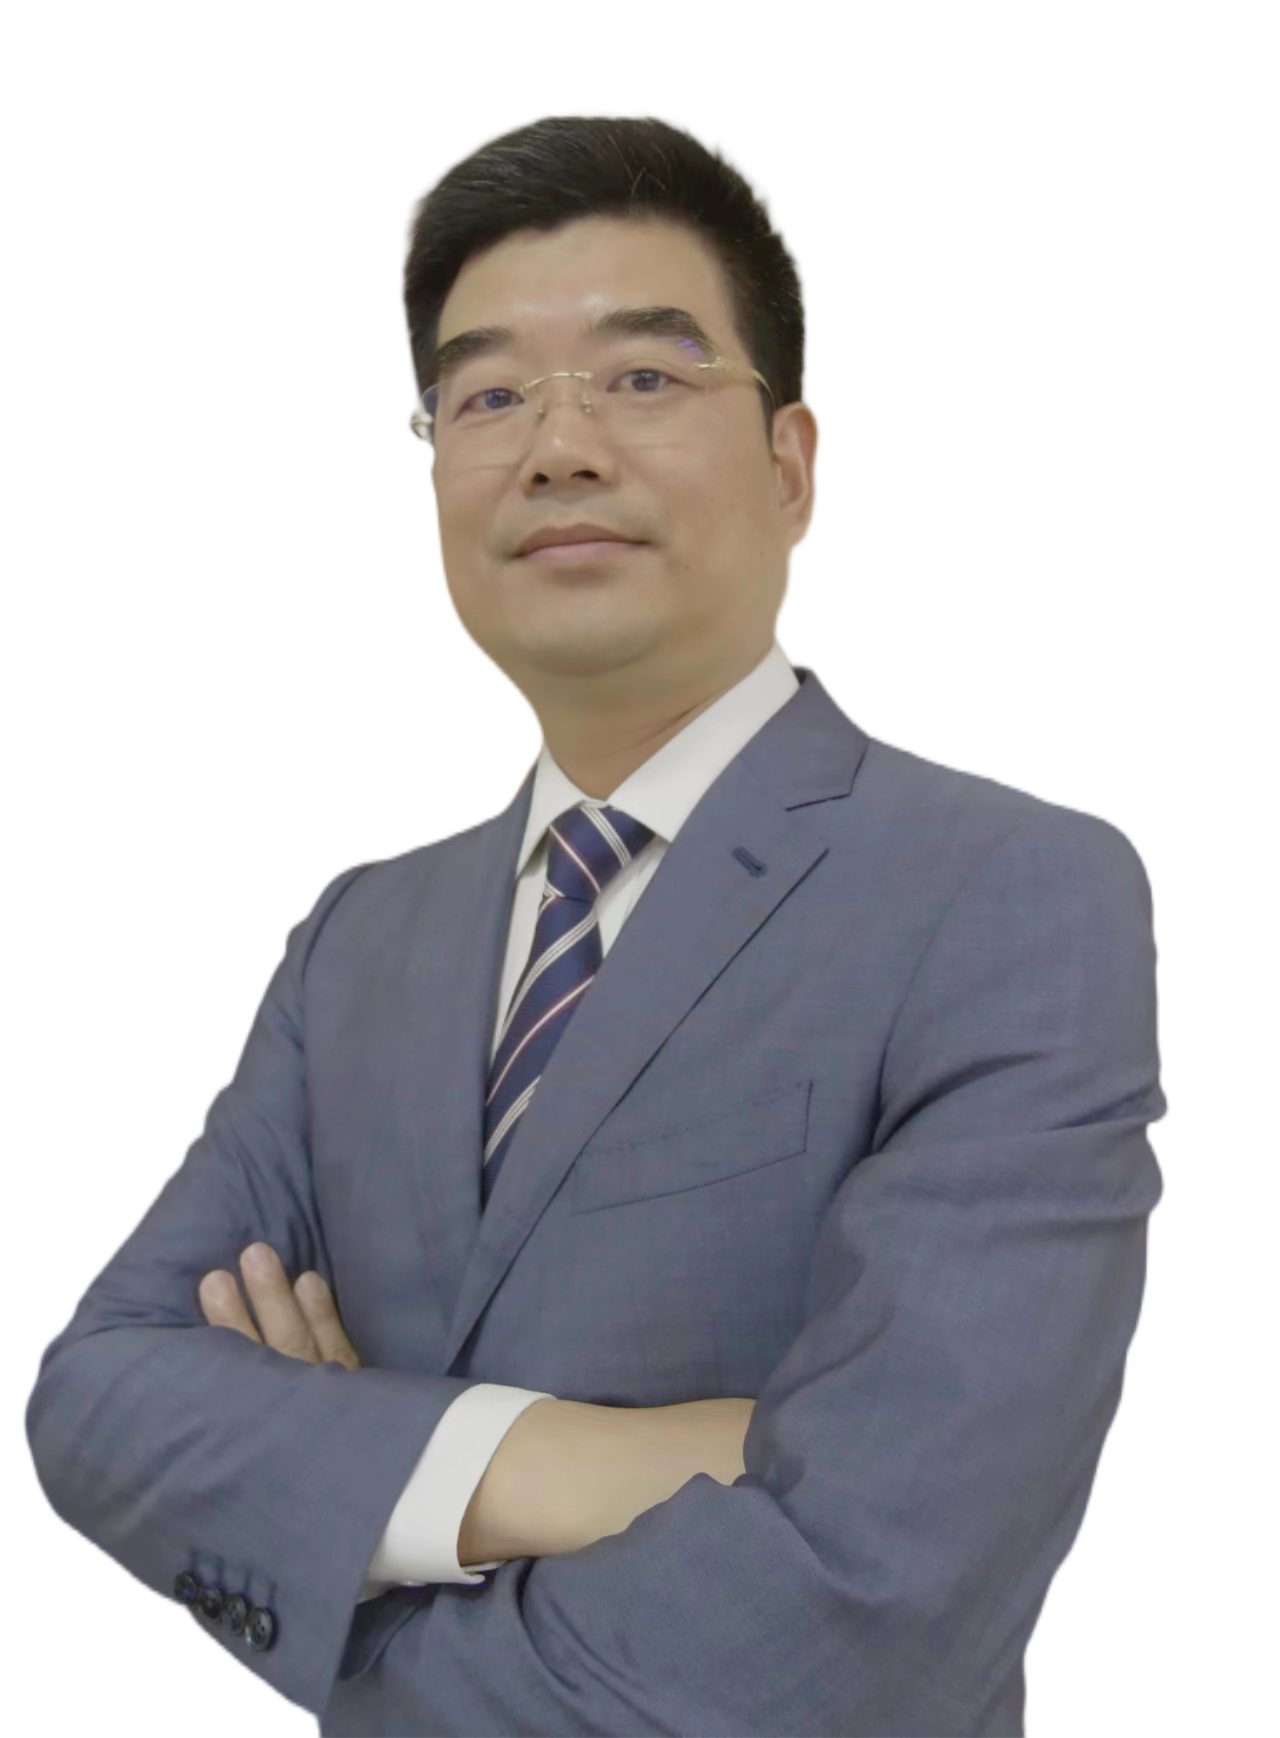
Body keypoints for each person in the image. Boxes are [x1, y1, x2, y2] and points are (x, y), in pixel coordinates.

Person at [23, 108, 1167, 1736]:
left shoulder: (1014, 889)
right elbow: (93, 1393)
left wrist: (337, 1504)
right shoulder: (358, 933)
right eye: (488, 394)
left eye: (641, 375)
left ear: (793, 469)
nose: (557, 446)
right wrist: (583, 1459)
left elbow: (880, 1611)